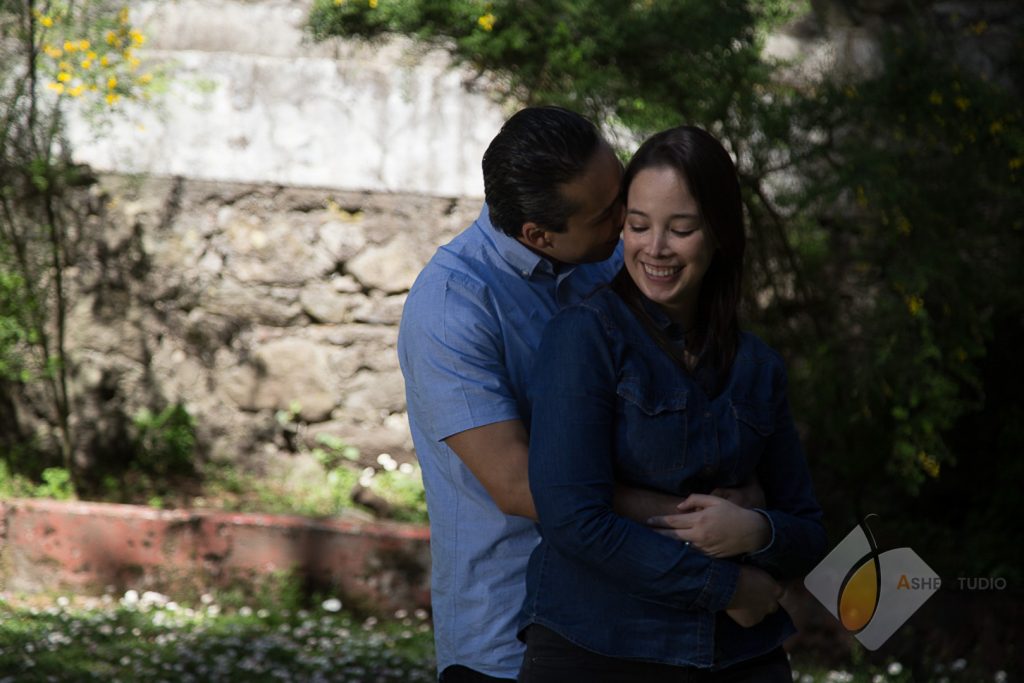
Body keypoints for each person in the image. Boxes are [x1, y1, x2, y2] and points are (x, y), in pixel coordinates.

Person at [398, 107, 761, 682]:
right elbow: (522, 486)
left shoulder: (614, 258)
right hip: (507, 633)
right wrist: (699, 520)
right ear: (538, 236)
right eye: (610, 215)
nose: (628, 221)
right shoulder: (452, 307)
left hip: (630, 622)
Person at [518, 125, 827, 682]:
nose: (654, 248)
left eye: (680, 229)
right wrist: (729, 586)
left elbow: (807, 529)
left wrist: (755, 529)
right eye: (637, 226)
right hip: (601, 647)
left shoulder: (757, 366)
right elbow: (574, 520)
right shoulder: (585, 337)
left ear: (719, 235)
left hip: (740, 654)